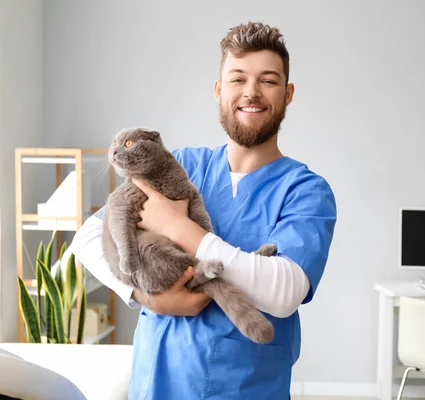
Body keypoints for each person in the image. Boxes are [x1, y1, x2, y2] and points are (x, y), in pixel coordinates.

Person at [70, 21, 337, 400]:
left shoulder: (306, 191)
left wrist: (179, 227)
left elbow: (285, 291)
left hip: (245, 388)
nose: (251, 92)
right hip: (155, 384)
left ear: (288, 93)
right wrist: (145, 297)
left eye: (269, 80)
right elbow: (89, 236)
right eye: (237, 79)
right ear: (218, 90)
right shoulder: (176, 165)